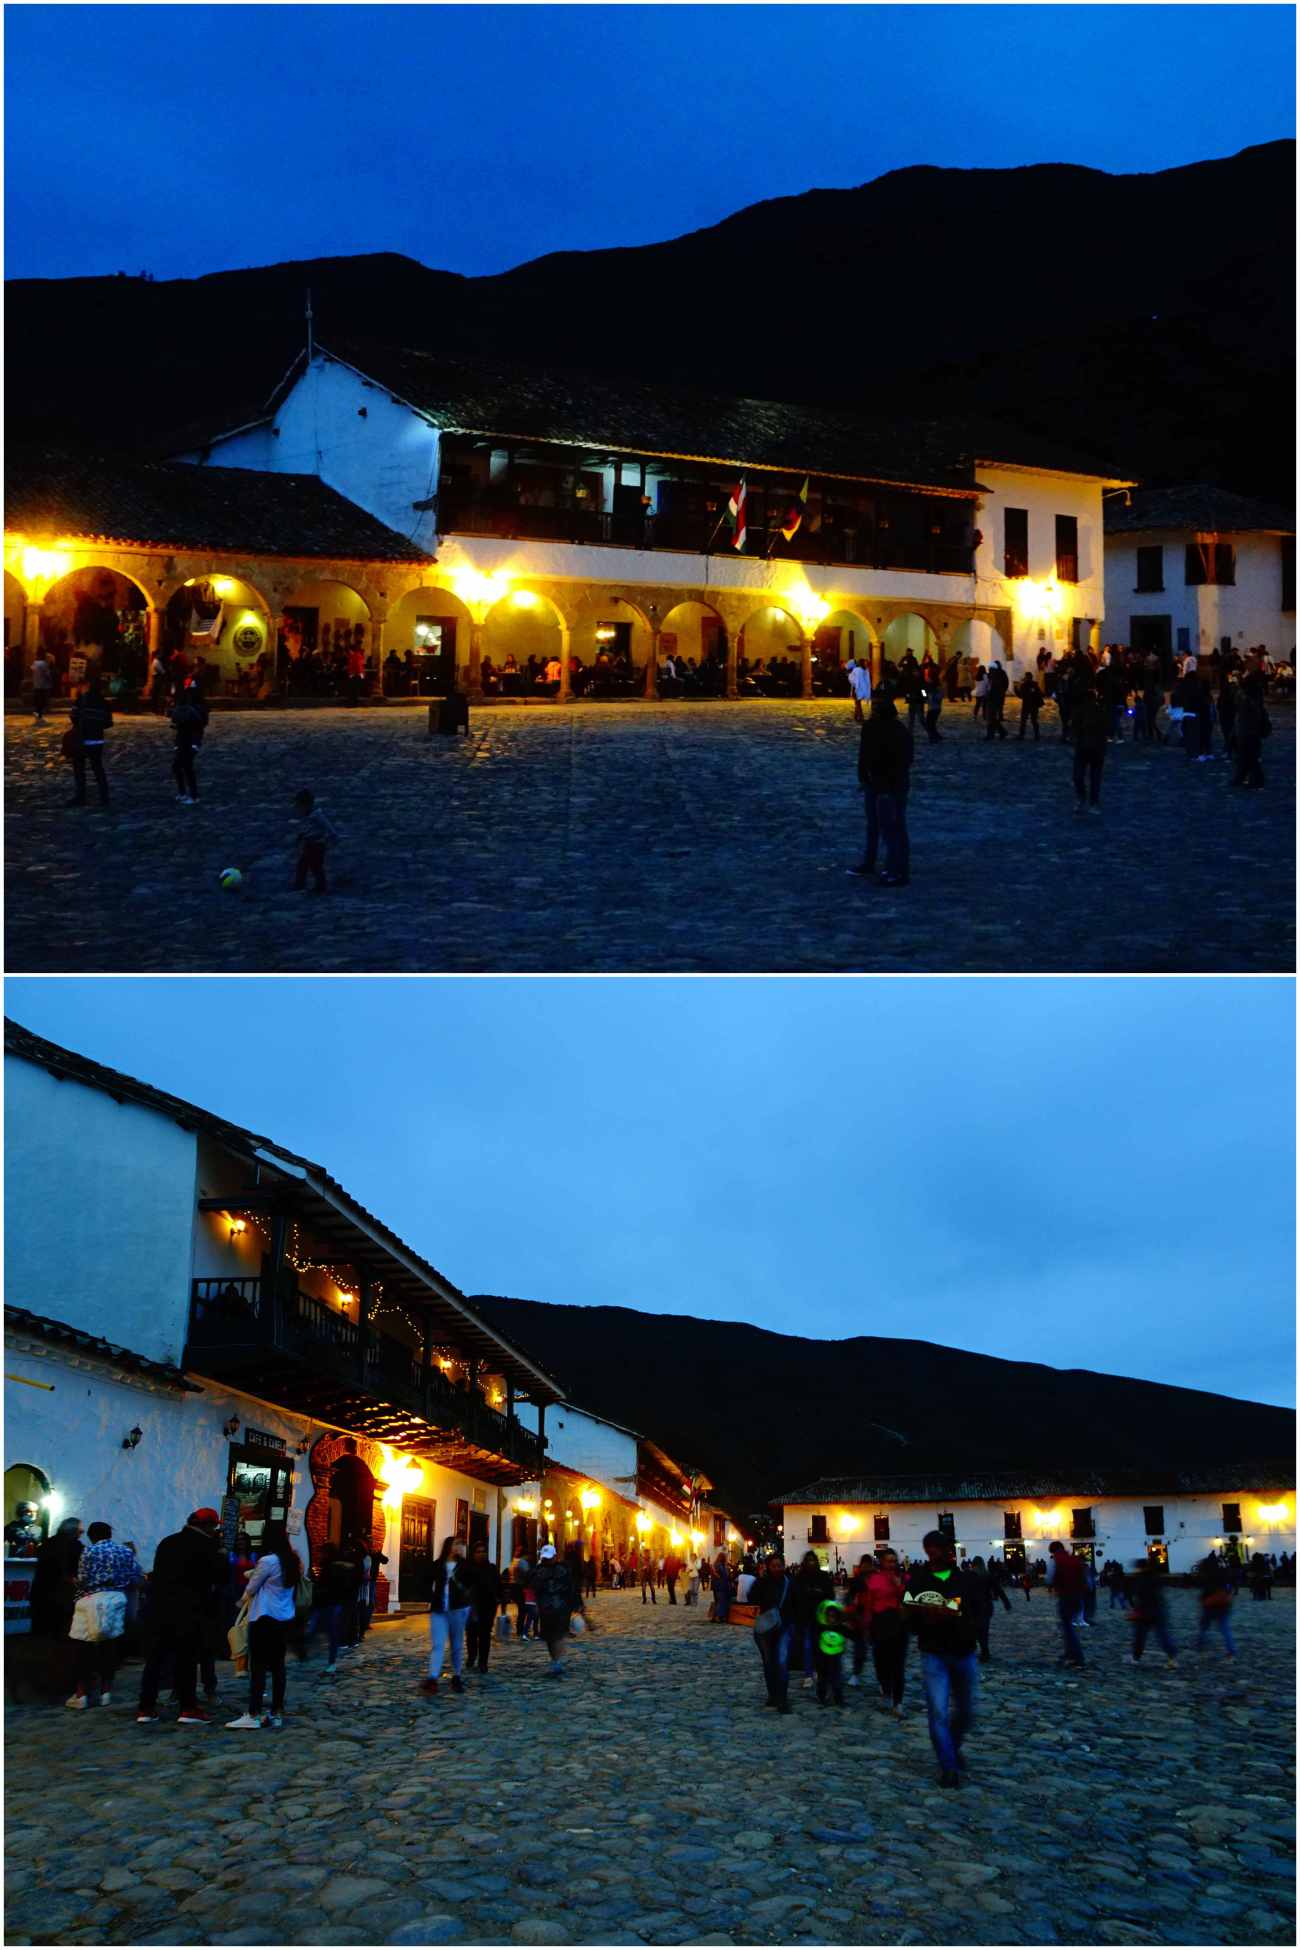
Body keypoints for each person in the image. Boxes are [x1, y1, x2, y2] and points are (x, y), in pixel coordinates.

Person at [902, 1531, 982, 1786]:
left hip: (965, 1651)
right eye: (938, 1547)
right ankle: (948, 1765)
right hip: (934, 1653)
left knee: (967, 1712)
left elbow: (981, 1610)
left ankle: (951, 1746)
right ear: (928, 1550)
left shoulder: (966, 1579)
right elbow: (908, 1614)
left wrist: (967, 1623)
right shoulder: (918, 1580)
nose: (946, 1551)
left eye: (947, 1547)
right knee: (938, 1712)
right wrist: (926, 1617)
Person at [137, 1508, 225, 1724]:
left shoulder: (168, 1542)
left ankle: (146, 1707)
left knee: (156, 1659)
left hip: (160, 1608)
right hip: (191, 1610)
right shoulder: (207, 1546)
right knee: (186, 1659)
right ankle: (188, 1707)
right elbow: (220, 1577)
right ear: (208, 1526)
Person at [226, 1521, 301, 1729]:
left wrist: (240, 1602)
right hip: (284, 1617)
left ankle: (254, 1712)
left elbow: (252, 1587)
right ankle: (276, 1712)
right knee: (278, 1666)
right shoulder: (292, 1560)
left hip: (263, 1616)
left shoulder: (268, 1561)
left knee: (257, 1665)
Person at [66, 1523, 143, 1709]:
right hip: (116, 1598)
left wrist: (73, 1581)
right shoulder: (124, 1551)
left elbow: (83, 1579)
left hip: (90, 1599)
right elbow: (136, 1575)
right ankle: (106, 1692)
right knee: (110, 1647)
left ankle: (81, 1694)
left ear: (91, 1536)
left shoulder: (89, 1551)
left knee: (83, 1648)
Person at [850, 693, 913, 886]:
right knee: (878, 826)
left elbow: (901, 761)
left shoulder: (892, 730)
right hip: (880, 783)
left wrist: (878, 780)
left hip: (888, 784)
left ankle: (895, 870)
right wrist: (864, 777)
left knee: (891, 828)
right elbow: (864, 754)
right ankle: (875, 863)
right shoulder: (881, 728)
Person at [421, 1537, 471, 1696]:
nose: (459, 1546)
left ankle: (457, 1676)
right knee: (438, 1644)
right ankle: (432, 1678)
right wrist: (430, 1597)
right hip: (439, 1610)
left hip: (458, 1609)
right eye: (457, 1544)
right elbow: (424, 1580)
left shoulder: (465, 1566)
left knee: (456, 1646)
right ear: (449, 1546)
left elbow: (472, 1583)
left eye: (461, 1544)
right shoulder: (437, 1565)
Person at [864, 1547, 908, 1714]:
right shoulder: (874, 1580)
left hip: (898, 1623)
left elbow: (909, 1599)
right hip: (880, 1624)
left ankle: (898, 1702)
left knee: (898, 1664)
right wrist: (867, 1627)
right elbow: (869, 1604)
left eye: (894, 1561)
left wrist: (899, 1586)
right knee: (881, 1662)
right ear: (881, 1562)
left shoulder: (903, 1578)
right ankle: (886, 1689)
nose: (892, 1564)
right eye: (888, 1561)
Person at [751, 1553, 795, 1713]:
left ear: (784, 1566)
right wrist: (760, 1580)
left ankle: (782, 1698)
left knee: (782, 1661)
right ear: (768, 1567)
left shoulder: (790, 1583)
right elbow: (751, 1598)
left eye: (779, 1565)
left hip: (784, 1627)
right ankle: (772, 1695)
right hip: (766, 1629)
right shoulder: (762, 1582)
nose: (777, 1568)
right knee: (769, 1662)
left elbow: (796, 1603)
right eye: (774, 1565)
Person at [533, 1542, 584, 1677]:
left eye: (550, 1557)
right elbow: (535, 1589)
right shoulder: (538, 1571)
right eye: (545, 1557)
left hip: (562, 1608)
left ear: (555, 1556)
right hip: (546, 1609)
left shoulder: (563, 1570)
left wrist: (577, 1603)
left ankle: (557, 1661)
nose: (547, 1560)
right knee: (549, 1637)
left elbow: (572, 1588)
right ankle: (555, 1659)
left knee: (559, 1634)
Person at [30, 1517, 84, 1638]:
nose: (81, 1534)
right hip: (62, 1592)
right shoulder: (75, 1546)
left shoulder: (48, 1542)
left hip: (41, 1590)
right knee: (59, 1631)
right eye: (80, 1532)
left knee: (41, 1631)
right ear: (73, 1530)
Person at [67, 676, 112, 807]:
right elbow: (108, 722)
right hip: (97, 739)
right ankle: (104, 797)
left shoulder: (81, 700)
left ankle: (81, 796)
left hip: (82, 739)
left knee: (79, 768)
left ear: (84, 685)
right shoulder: (102, 701)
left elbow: (73, 716)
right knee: (98, 767)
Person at [462, 1539, 503, 1675]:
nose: (481, 1554)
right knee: (472, 1634)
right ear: (473, 1554)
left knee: (485, 1635)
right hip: (471, 1606)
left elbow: (499, 1586)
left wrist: (500, 1601)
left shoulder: (491, 1568)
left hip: (488, 1606)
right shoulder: (467, 1568)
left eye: (484, 1551)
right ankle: (472, 1656)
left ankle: (483, 1662)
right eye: (478, 1552)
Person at [1070, 678, 1108, 814]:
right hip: (1089, 747)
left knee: (1084, 777)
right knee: (1091, 777)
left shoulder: (1098, 711)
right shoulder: (1082, 712)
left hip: (1091, 747)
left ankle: (1086, 799)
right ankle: (1090, 801)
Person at [1046, 1542, 1087, 1666]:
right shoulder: (1075, 1559)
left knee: (1067, 1627)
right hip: (1078, 1596)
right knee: (1068, 1625)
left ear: (1052, 1551)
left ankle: (1077, 1656)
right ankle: (1069, 1653)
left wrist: (1053, 1586)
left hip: (1065, 1596)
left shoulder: (1055, 1561)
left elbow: (1049, 1578)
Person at [292, 789, 340, 894]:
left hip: (317, 845)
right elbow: (305, 829)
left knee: (315, 866)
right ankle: (300, 885)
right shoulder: (307, 816)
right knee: (303, 864)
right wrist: (300, 837)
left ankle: (320, 887)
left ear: (306, 804)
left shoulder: (317, 815)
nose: (299, 809)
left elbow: (328, 827)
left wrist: (333, 837)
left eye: (300, 806)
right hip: (309, 844)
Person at [170, 678, 209, 804]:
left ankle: (193, 795)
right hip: (182, 736)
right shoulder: (184, 700)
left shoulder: (199, 705)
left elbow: (200, 725)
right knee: (177, 766)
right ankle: (182, 792)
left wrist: (195, 743)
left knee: (186, 766)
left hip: (191, 737)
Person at [1196, 1554, 1237, 1659]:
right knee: (1225, 1629)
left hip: (1210, 1606)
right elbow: (1229, 1587)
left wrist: (1202, 1599)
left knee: (1204, 1628)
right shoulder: (1223, 1574)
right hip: (1223, 1605)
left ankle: (1200, 1646)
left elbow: (1205, 1590)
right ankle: (1231, 1650)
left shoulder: (1207, 1576)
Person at [814, 1593, 848, 1705]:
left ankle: (838, 1698)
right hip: (822, 1659)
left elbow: (850, 1633)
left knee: (836, 1678)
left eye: (834, 1616)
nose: (832, 1618)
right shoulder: (820, 1627)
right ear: (825, 1616)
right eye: (829, 1616)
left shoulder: (840, 1627)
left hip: (836, 1657)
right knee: (822, 1679)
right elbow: (815, 1641)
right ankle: (822, 1696)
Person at [966, 1556, 996, 1661]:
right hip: (986, 1606)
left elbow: (965, 1591)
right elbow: (997, 1589)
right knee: (984, 1630)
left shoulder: (970, 1575)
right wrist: (1006, 1602)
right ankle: (985, 1651)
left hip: (974, 1607)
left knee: (974, 1630)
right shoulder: (988, 1575)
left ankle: (974, 1652)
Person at [985, 661, 1009, 739]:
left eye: (990, 668)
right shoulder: (992, 676)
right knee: (991, 718)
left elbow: (1002, 686)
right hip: (992, 698)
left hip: (994, 699)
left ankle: (992, 734)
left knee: (991, 717)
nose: (989, 669)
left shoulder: (996, 677)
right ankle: (1000, 732)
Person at [1016, 671, 1044, 740]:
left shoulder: (1025, 685)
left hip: (1027, 705)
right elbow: (1040, 694)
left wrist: (1016, 689)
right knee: (1033, 720)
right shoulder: (1034, 685)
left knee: (1025, 721)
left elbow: (1021, 695)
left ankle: (1022, 735)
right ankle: (1036, 735)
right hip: (1033, 706)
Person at [846, 655, 872, 722]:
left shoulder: (862, 670)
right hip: (858, 688)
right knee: (857, 703)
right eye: (865, 662)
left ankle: (858, 716)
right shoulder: (860, 670)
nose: (866, 663)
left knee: (857, 703)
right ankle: (858, 716)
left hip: (858, 688)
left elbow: (860, 680)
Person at [31, 653, 54, 723]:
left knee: (38, 701)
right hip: (44, 686)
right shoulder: (45, 665)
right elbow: (48, 675)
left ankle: (38, 715)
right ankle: (39, 715)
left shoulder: (36, 663)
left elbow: (32, 668)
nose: (51, 662)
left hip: (36, 685)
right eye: (51, 660)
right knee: (43, 702)